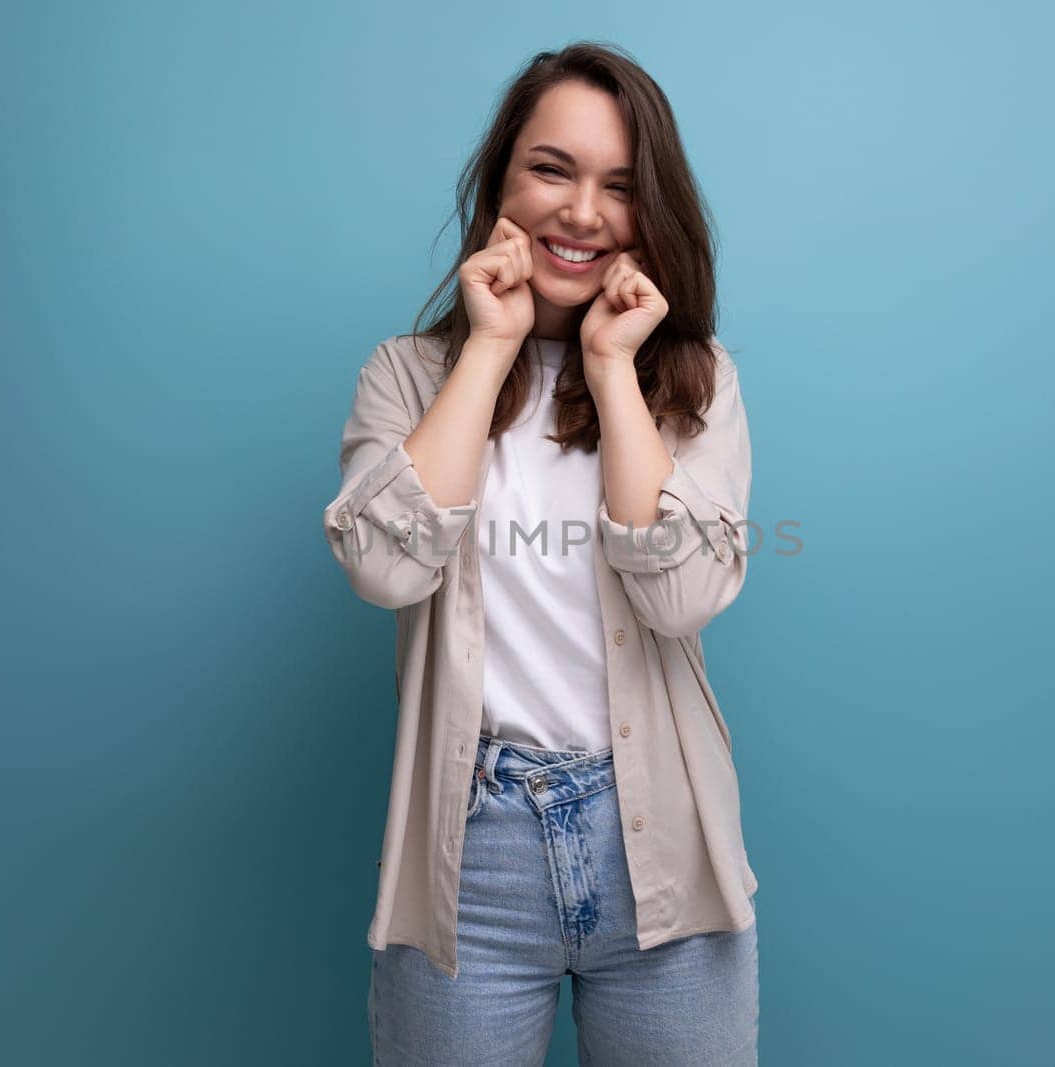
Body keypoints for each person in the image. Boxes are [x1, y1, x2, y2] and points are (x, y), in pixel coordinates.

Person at [324, 40, 759, 1065]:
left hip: (662, 843)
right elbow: (384, 565)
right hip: (468, 849)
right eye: (551, 169)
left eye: (619, 185)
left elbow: (685, 594)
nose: (581, 211)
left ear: (653, 210)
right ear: (502, 180)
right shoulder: (407, 374)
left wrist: (612, 369)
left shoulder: (698, 384)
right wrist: (488, 347)